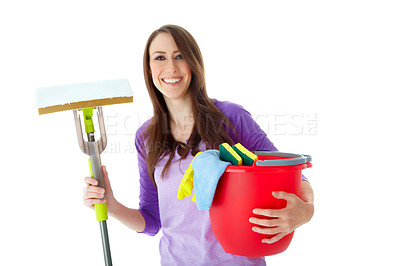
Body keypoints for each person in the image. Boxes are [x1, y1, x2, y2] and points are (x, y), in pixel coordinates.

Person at [83, 24, 314, 265]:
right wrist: (111, 205)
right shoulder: (146, 137)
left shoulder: (230, 117)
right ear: (150, 70)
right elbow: (152, 221)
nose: (170, 67)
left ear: (193, 63)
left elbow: (288, 173)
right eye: (160, 58)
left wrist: (307, 210)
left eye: (179, 56)